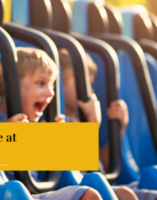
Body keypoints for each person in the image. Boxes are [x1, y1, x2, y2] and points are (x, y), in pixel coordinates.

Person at [0, 47, 104, 200]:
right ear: (10, 83)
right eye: (40, 83)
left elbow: (83, 168)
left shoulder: (33, 125)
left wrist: (59, 142)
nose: (51, 92)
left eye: (52, 85)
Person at [59, 48, 157, 200]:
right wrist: (91, 126)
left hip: (101, 183)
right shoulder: (57, 121)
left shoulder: (80, 118)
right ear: (58, 83)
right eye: (84, 82)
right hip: (80, 187)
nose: (90, 90)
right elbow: (76, 169)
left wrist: (118, 129)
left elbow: (99, 164)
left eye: (91, 84)